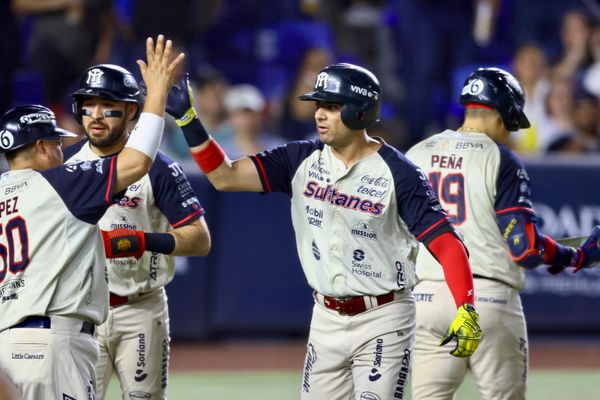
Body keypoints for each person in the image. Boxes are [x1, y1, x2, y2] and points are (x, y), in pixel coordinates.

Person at [168, 63, 482, 399]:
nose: (320, 114)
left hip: (384, 318)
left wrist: (466, 306)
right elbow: (224, 176)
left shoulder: (399, 173)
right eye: (318, 105)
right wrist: (189, 120)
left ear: (360, 112)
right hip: (325, 317)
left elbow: (447, 243)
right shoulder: (299, 158)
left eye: (331, 106)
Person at [0, 35, 184, 400]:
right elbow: (137, 161)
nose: (62, 149)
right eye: (55, 143)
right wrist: (157, 94)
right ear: (40, 147)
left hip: (8, 344)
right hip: (54, 345)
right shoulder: (60, 184)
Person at [405, 67, 600, 400]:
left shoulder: (415, 154)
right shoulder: (500, 158)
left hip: (425, 299)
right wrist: (576, 256)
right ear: (504, 112)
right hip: (487, 298)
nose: (511, 131)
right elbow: (524, 249)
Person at [64, 62, 211, 399]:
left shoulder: (159, 167)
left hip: (140, 306)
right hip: (79, 308)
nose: (96, 115)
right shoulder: (64, 164)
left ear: (131, 111)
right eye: (89, 104)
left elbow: (200, 239)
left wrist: (142, 241)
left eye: (108, 106)